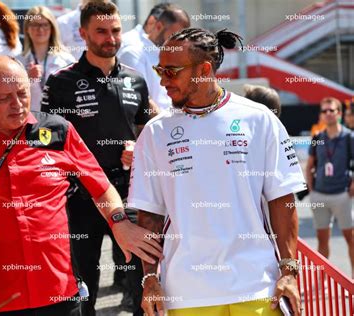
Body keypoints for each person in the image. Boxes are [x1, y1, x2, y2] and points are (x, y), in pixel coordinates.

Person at [0, 55, 162, 315]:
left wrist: (118, 221)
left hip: (60, 294)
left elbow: (100, 187)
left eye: (23, 93)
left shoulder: (58, 131)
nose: (17, 105)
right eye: (4, 98)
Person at [128, 28, 307, 316]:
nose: (162, 81)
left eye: (171, 71)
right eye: (159, 70)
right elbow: (150, 214)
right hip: (186, 293)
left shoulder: (259, 120)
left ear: (204, 69)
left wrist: (289, 271)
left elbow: (282, 199)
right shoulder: (155, 132)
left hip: (256, 286)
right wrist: (149, 278)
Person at [41, 2, 158, 315]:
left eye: (116, 30)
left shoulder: (136, 79)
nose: (111, 38)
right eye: (101, 31)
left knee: (139, 278)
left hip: (129, 194)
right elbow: (48, 146)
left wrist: (139, 149)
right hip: (81, 195)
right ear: (83, 34)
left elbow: (148, 131)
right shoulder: (61, 82)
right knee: (83, 282)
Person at [305, 97, 354, 278]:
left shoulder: (349, 137)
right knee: (322, 240)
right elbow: (309, 165)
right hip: (320, 194)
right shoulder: (318, 138)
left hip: (342, 194)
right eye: (324, 111)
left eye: (331, 110)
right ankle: (321, 282)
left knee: (351, 238)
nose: (327, 114)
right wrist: (311, 188)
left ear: (339, 113)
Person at [117, 3, 190, 111]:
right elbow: (140, 97)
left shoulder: (166, 52)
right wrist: (161, 124)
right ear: (159, 26)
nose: (179, 42)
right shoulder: (133, 52)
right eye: (174, 36)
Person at [18, 6, 75, 112]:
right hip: (30, 120)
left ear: (52, 28)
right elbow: (9, 93)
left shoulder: (67, 60)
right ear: (27, 28)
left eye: (45, 25)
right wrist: (26, 79)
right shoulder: (17, 62)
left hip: (58, 120)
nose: (40, 29)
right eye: (35, 25)